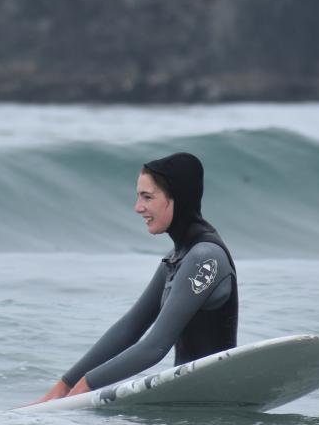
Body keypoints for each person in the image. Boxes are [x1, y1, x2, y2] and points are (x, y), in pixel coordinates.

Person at [33, 152, 238, 402]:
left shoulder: (205, 258)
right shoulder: (176, 259)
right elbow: (129, 328)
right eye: (138, 196)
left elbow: (155, 346)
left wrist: (86, 387)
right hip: (189, 401)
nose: (138, 207)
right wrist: (64, 386)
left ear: (177, 199)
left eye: (147, 197)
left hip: (215, 401)